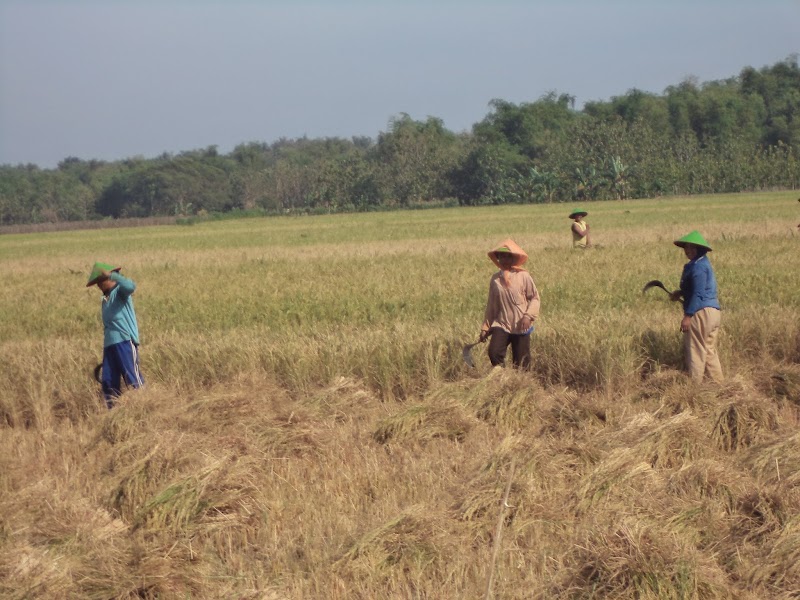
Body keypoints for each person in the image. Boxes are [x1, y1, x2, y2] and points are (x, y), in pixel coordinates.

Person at [87, 262, 145, 408]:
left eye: (100, 281)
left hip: (124, 341)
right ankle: (113, 414)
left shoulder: (120, 291)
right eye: (97, 283)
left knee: (132, 377)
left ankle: (145, 407)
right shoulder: (105, 299)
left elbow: (131, 286)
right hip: (110, 346)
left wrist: (112, 275)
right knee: (108, 382)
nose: (98, 285)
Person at [668, 231, 723, 383]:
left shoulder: (697, 267)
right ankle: (719, 385)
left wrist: (688, 315)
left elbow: (698, 293)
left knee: (696, 350)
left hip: (701, 313)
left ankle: (695, 389)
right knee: (709, 351)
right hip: (714, 313)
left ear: (700, 249)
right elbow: (697, 289)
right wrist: (680, 293)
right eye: (686, 248)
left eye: (692, 248)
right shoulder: (703, 264)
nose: (688, 251)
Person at [479, 239, 541, 369]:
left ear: (514, 258)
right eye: (502, 256)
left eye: (508, 256)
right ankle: (502, 377)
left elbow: (534, 298)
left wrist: (528, 316)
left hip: (521, 324)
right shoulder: (495, 279)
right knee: (494, 352)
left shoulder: (523, 276)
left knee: (522, 362)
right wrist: (486, 327)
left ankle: (521, 384)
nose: (505, 260)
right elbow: (491, 305)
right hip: (501, 323)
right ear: (498, 258)